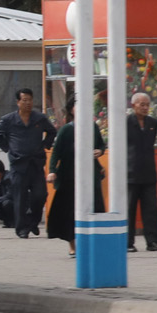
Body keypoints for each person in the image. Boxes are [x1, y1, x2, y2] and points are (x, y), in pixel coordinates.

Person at [0, 88, 56, 238]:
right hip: (18, 164)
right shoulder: (9, 120)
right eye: (24, 100)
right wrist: (8, 148)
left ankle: (33, 222)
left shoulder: (39, 118)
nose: (27, 103)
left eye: (30, 100)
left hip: (36, 163)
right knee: (19, 198)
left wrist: (45, 144)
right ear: (18, 102)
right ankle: (22, 229)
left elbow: (52, 131)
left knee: (40, 195)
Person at [46, 97, 106, 256]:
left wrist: (100, 151)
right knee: (70, 212)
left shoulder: (93, 127)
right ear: (72, 109)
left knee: (96, 209)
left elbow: (101, 144)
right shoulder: (66, 130)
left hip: (91, 176)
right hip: (69, 178)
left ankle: (95, 244)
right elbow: (56, 153)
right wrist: (52, 171)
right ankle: (72, 245)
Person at [123, 91, 157, 252]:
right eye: (141, 104)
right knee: (129, 209)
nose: (144, 107)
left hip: (148, 172)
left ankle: (153, 241)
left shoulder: (153, 123)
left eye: (147, 105)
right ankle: (127, 242)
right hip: (130, 172)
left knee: (151, 208)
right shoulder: (125, 122)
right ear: (133, 105)